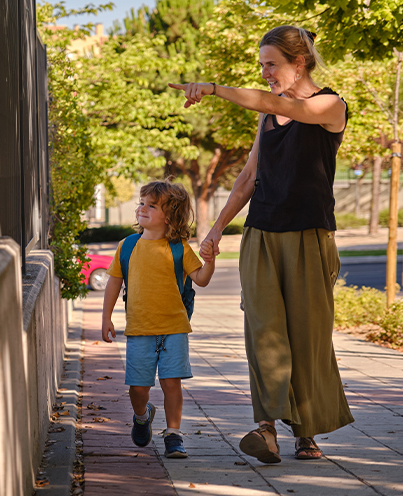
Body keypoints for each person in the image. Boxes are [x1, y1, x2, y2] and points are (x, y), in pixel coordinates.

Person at [169, 25, 354, 463]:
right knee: (263, 333)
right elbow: (250, 176)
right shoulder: (267, 117)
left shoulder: (330, 105)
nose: (267, 73)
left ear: (300, 62)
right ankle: (266, 429)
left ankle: (307, 432)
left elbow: (277, 101)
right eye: (262, 66)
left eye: (272, 64)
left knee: (307, 337)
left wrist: (213, 88)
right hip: (262, 234)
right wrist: (216, 230)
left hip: (310, 236)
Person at [101, 180, 215, 458]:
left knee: (171, 383)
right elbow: (114, 283)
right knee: (138, 389)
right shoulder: (127, 246)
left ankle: (174, 435)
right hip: (139, 330)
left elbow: (200, 279)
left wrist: (209, 261)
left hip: (174, 329)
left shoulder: (179, 248)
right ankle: (142, 416)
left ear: (169, 217)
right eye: (142, 203)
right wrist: (106, 318)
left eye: (151, 205)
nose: (142, 208)